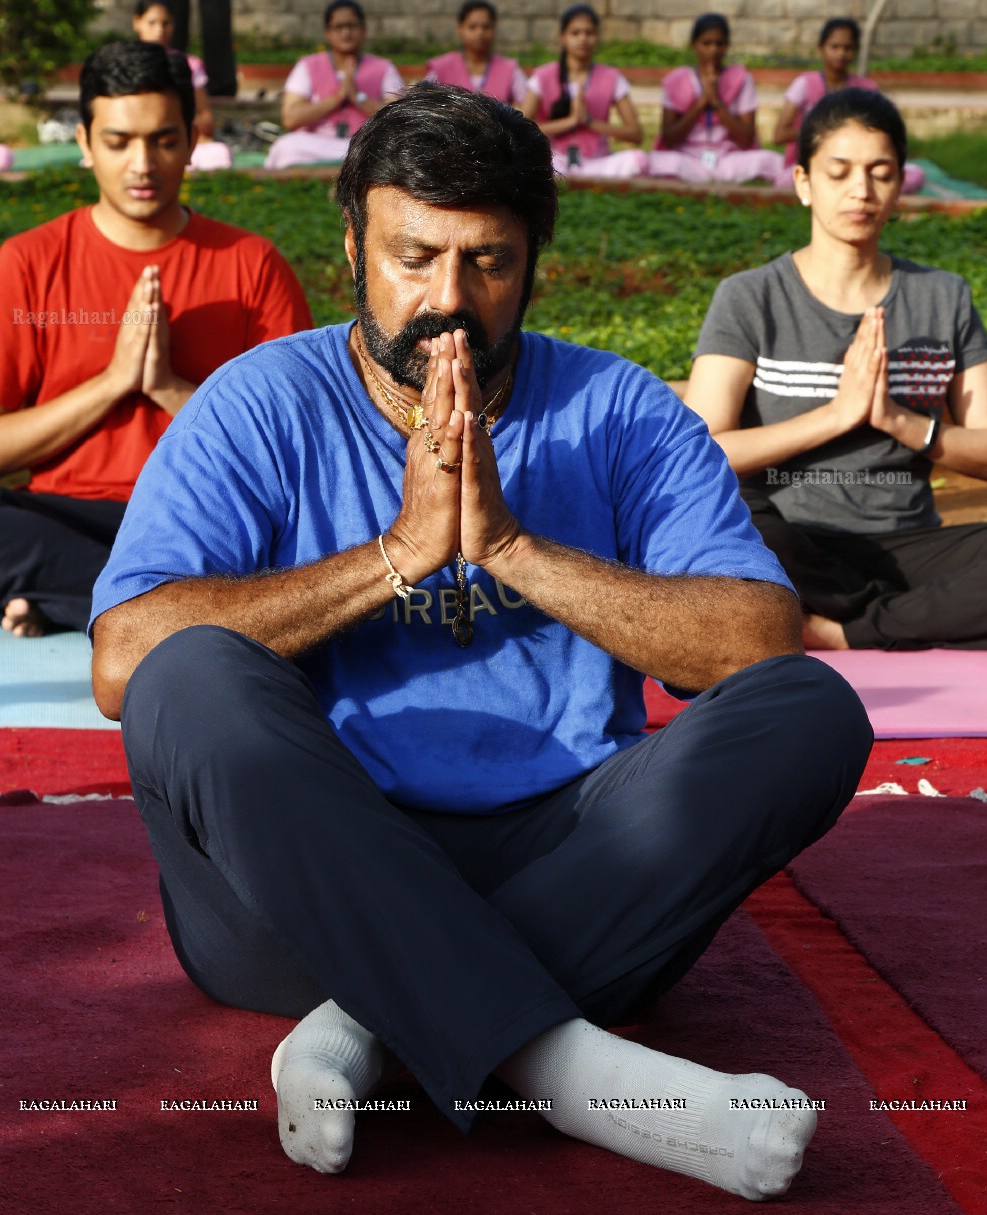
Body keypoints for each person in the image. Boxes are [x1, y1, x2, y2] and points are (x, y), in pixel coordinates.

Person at [90, 84, 871, 1200]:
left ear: (534, 260)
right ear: (352, 239)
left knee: (808, 710)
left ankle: (363, 1024)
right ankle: (586, 1077)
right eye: (414, 257)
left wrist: (507, 546)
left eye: (488, 263)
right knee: (193, 673)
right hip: (299, 881)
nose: (447, 301)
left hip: (577, 864)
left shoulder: (619, 410)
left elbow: (757, 631)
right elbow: (123, 662)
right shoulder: (258, 403)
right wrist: (399, 553)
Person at [686, 86, 987, 652]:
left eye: (880, 172)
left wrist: (901, 422)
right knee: (731, 511)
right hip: (791, 543)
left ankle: (846, 629)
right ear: (803, 183)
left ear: (899, 185)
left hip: (907, 546)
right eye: (839, 172)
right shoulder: (750, 297)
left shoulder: (942, 298)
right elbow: (702, 451)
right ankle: (919, 619)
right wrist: (838, 414)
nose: (860, 191)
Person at [0, 39, 312, 638]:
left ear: (192, 142)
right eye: (118, 142)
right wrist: (113, 383)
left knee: (286, 550)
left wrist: (169, 388)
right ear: (85, 144)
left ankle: (81, 598)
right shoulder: (29, 262)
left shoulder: (252, 265)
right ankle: (155, 606)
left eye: (164, 140)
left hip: (202, 520)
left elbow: (294, 458)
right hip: (69, 515)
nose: (142, 163)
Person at [773, 18, 926, 193]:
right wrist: (826, 131)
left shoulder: (867, 89)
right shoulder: (804, 84)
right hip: (813, 165)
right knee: (786, 182)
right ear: (821, 47)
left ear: (855, 51)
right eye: (835, 47)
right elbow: (779, 135)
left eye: (847, 48)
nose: (841, 53)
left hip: (860, 167)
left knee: (915, 175)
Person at [266, 0, 404, 170]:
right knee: (286, 146)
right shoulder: (308, 66)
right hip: (318, 144)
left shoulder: (384, 68)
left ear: (363, 30)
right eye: (339, 27)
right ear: (327, 33)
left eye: (351, 26)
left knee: (390, 147)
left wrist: (358, 97)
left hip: (363, 143)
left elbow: (397, 119)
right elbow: (290, 118)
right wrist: (336, 97)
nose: (346, 33)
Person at [647, 14, 786, 186]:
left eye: (719, 44)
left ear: (727, 46)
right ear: (694, 45)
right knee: (657, 161)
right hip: (686, 156)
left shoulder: (741, 79)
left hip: (728, 158)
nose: (713, 50)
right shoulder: (678, 80)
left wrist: (717, 102)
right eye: (706, 43)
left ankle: (710, 177)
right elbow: (668, 138)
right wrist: (701, 103)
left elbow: (746, 138)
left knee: (770, 160)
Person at [521, 5, 647, 179]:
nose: (583, 39)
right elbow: (521, 129)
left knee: (637, 159)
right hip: (555, 160)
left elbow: (636, 134)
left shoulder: (611, 77)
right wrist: (571, 121)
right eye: (575, 33)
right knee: (539, 166)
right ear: (563, 37)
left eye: (589, 33)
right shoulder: (543, 76)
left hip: (598, 161)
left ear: (597, 37)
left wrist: (588, 120)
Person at [131, 0, 231, 170]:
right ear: (137, 22)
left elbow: (206, 119)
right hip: (134, 143)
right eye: (152, 23)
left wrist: (172, 129)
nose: (159, 30)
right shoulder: (124, 64)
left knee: (216, 155)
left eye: (166, 23)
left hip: (175, 141)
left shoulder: (188, 65)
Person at [425, 0, 528, 104]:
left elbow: (526, 110)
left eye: (486, 27)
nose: (480, 33)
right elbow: (421, 105)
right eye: (472, 27)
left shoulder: (510, 70)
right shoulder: (441, 68)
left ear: (494, 29)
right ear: (460, 29)